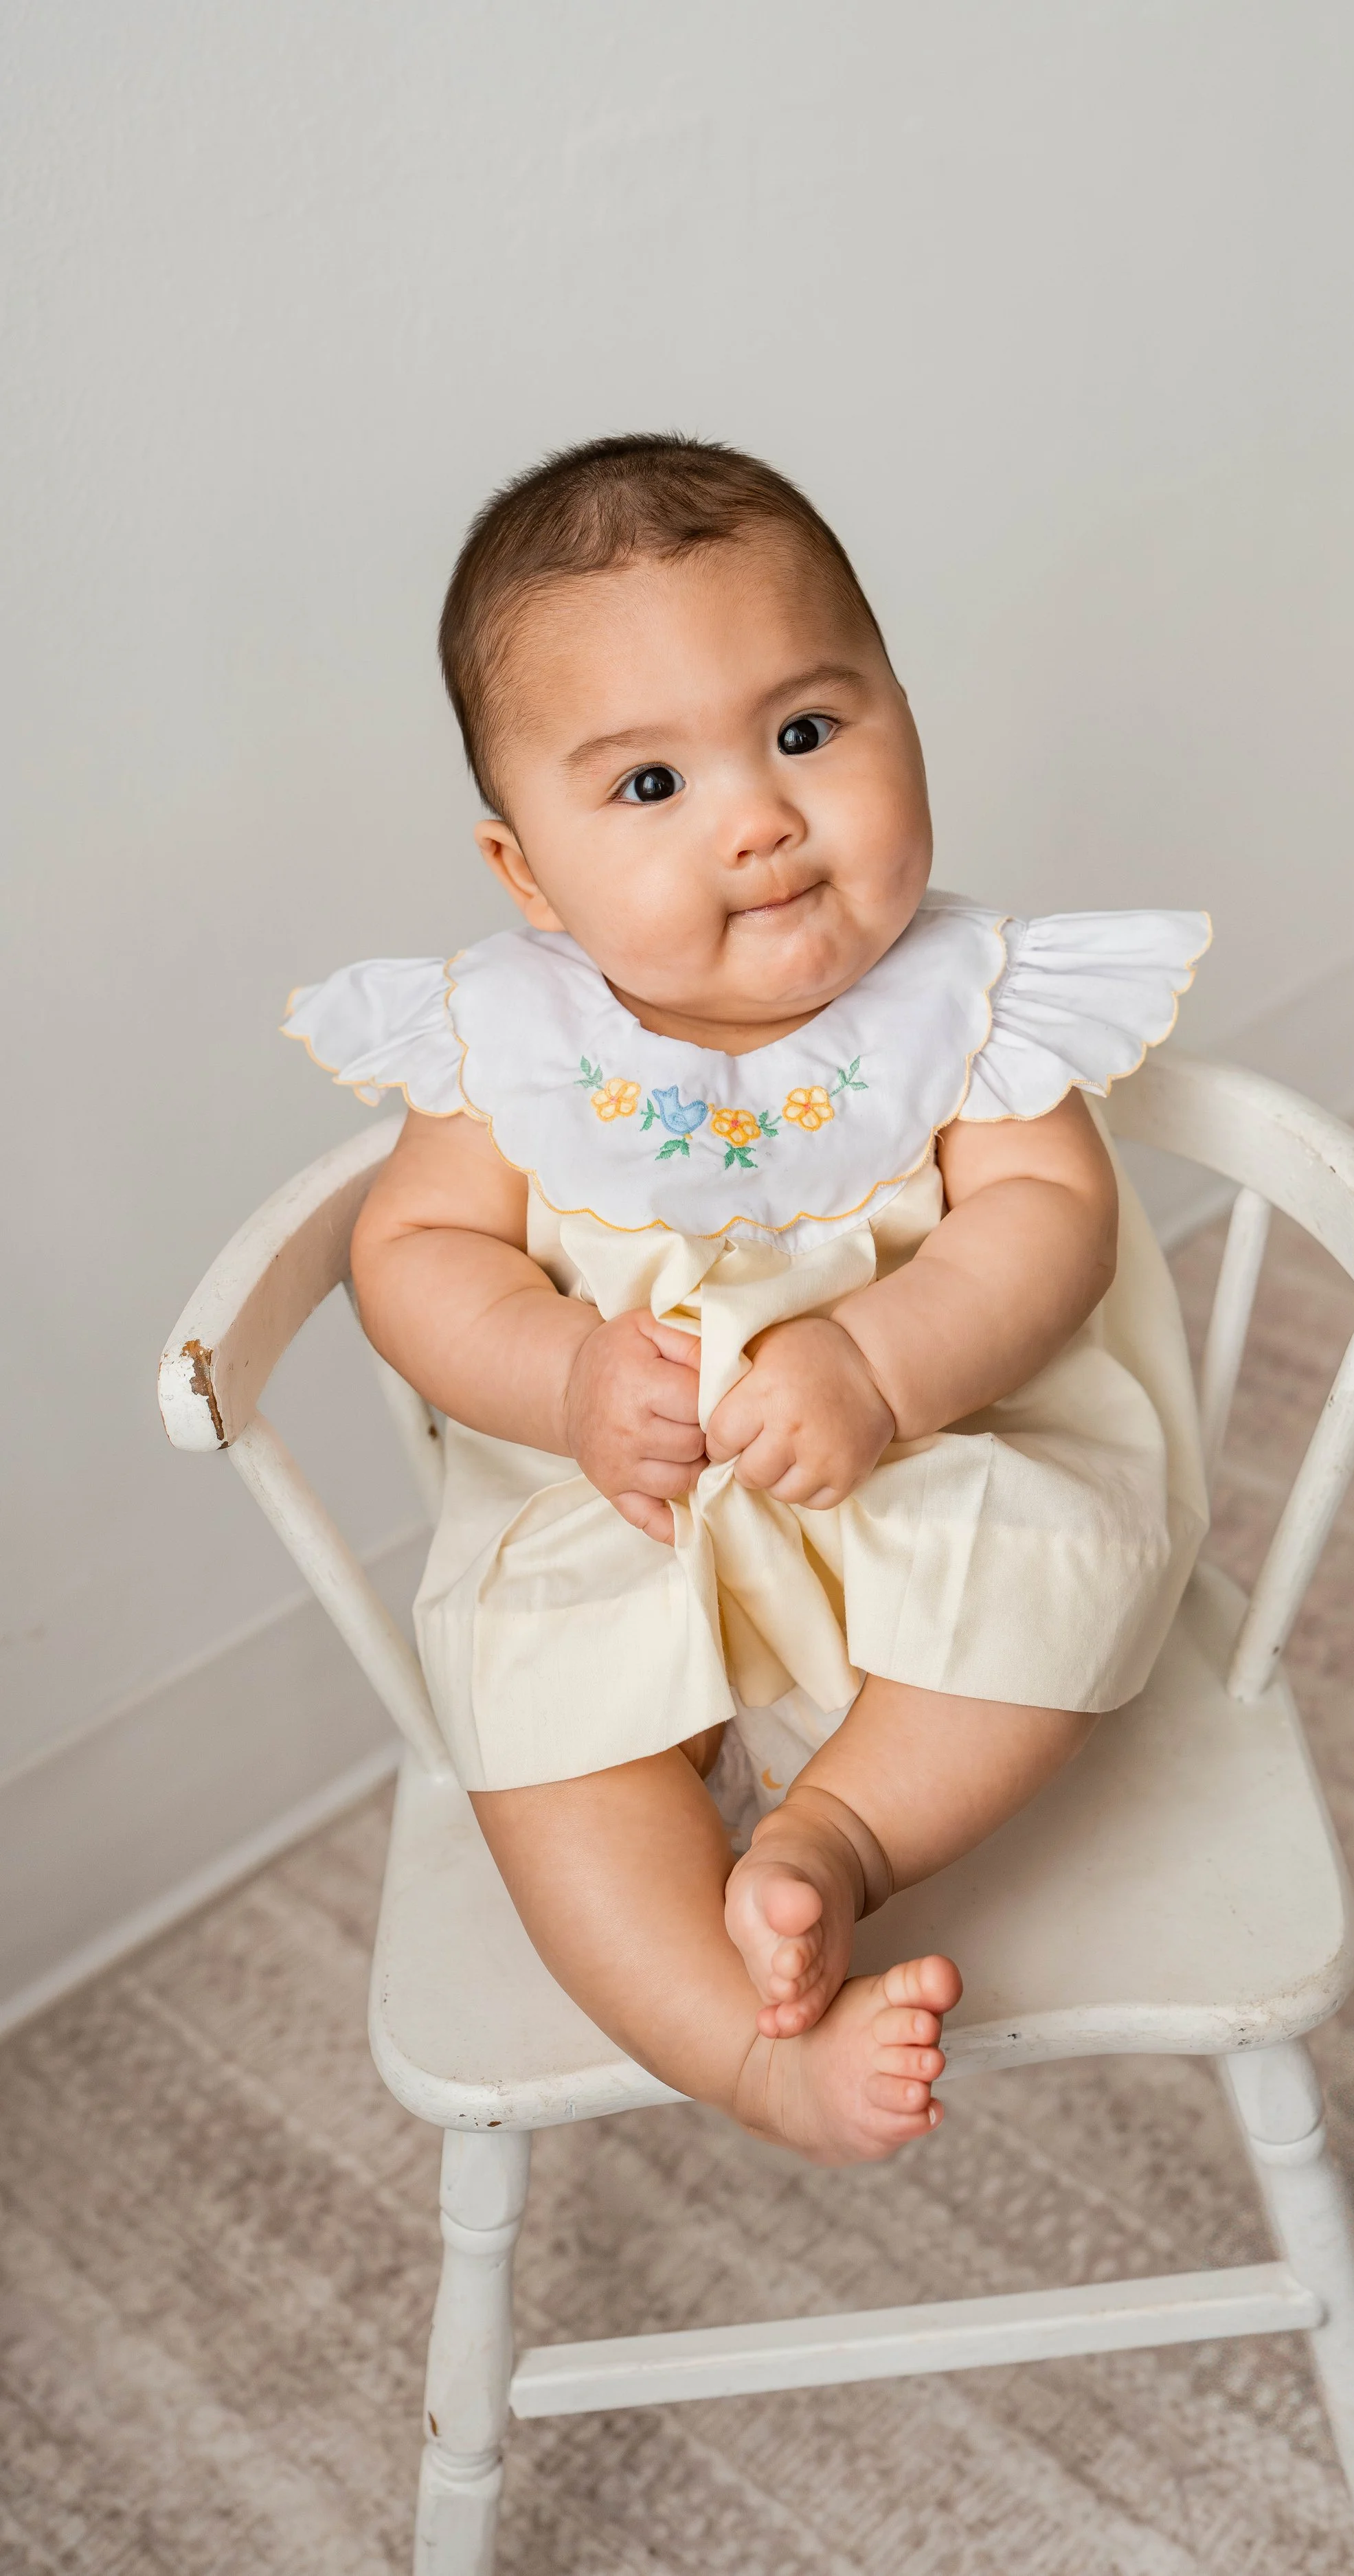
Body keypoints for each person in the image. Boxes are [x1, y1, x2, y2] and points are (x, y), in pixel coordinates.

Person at [286, 434, 1210, 2164]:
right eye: (647, 787)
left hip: (924, 1459)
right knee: (536, 1726)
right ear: (527, 876)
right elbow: (409, 1256)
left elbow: (1048, 1217)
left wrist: (879, 1354)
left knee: (1056, 1573)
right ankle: (749, 2051)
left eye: (805, 731)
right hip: (619, 1503)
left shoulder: (963, 1004)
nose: (760, 817)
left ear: (901, 710)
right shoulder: (507, 1046)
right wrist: (563, 1370)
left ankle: (837, 1841)